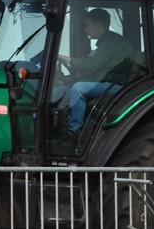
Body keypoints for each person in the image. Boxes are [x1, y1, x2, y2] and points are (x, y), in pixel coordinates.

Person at [54, 8, 134, 146]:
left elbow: (93, 66)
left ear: (99, 24)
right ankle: (57, 130)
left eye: (88, 25)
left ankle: (73, 132)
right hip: (105, 83)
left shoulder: (110, 41)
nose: (85, 30)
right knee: (58, 91)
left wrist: (64, 58)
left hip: (116, 86)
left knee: (79, 88)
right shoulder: (105, 43)